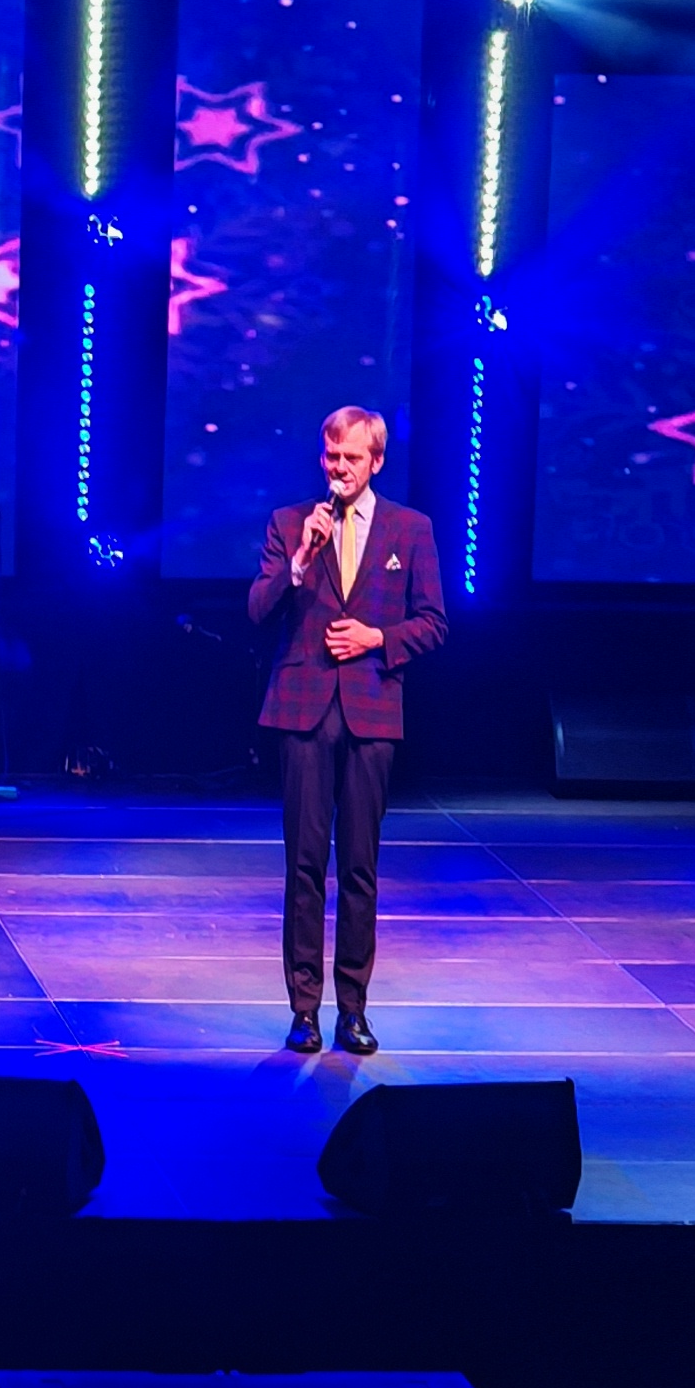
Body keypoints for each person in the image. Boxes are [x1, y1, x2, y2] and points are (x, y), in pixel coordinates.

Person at [250, 409, 447, 1058]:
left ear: (376, 462)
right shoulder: (289, 524)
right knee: (304, 864)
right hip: (303, 708)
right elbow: (258, 609)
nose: (339, 469)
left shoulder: (410, 529)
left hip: (371, 709)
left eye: (352, 458)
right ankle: (303, 1010)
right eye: (331, 457)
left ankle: (353, 1009)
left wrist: (376, 638)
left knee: (360, 866)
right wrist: (300, 561)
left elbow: (433, 623)